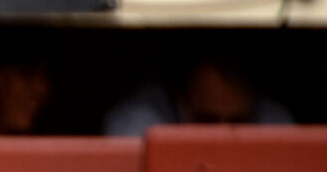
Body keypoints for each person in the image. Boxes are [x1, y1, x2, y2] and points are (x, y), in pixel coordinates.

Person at [103, 56, 293, 136]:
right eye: (207, 120)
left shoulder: (274, 123)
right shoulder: (140, 121)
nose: (221, 136)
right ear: (181, 100)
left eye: (237, 122)